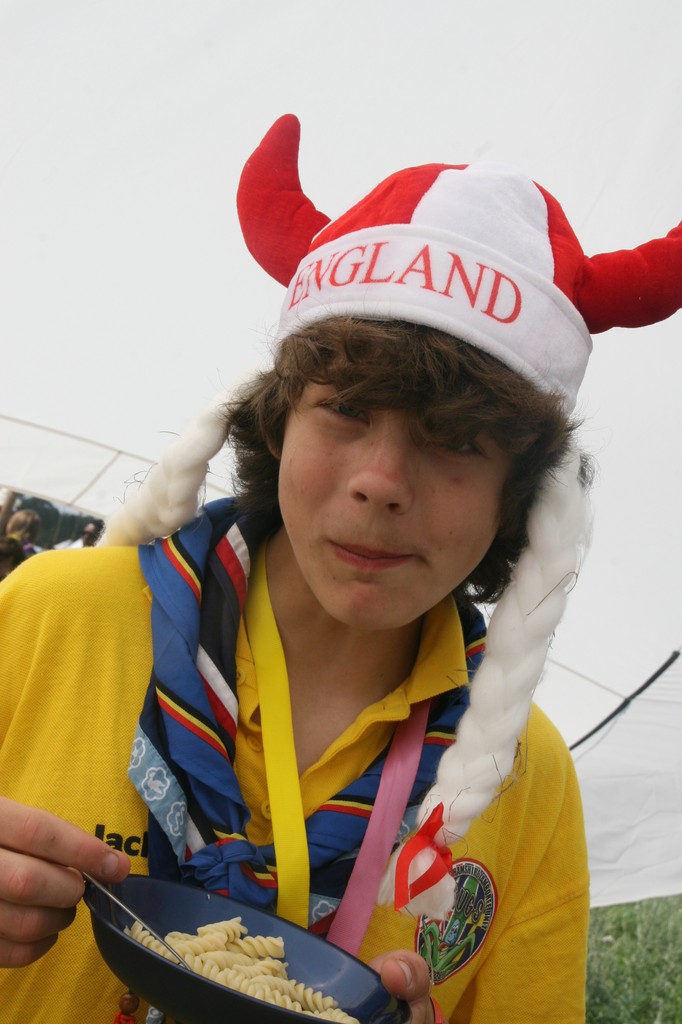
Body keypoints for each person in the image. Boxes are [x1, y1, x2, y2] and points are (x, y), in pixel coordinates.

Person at [1, 114, 681, 1024]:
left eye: (455, 440)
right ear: (278, 419)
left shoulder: (529, 778)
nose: (380, 483)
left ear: (517, 497)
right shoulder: (49, 617)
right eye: (348, 409)